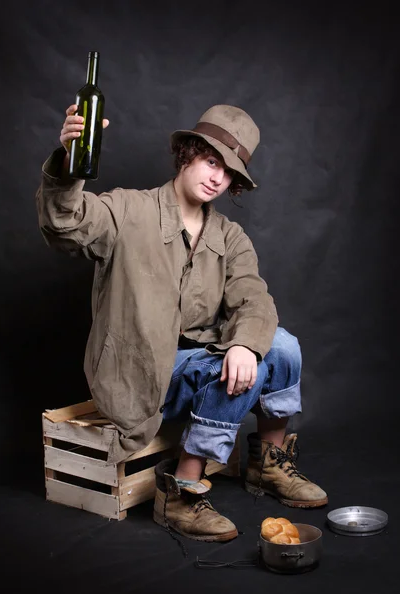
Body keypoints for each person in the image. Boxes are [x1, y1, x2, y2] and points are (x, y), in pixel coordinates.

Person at [36, 103, 328, 544]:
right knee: (233, 372)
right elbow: (66, 223)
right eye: (212, 161)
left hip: (192, 367)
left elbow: (255, 299)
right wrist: (67, 161)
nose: (217, 177)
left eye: (228, 172)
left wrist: (245, 345)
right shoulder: (128, 210)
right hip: (135, 375)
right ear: (188, 154)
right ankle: (180, 492)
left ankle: (268, 462)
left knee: (280, 346)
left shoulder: (229, 236)